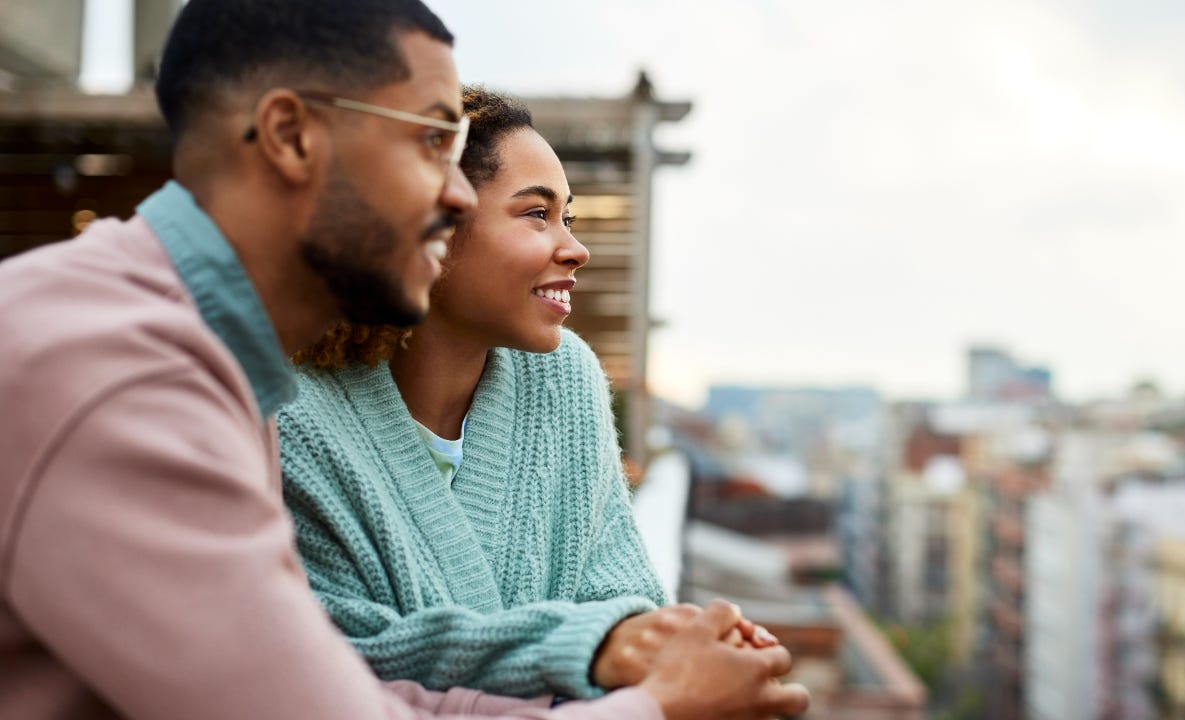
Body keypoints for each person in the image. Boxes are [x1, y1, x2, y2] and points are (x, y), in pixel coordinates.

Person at [0, 1, 810, 719]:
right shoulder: (125, 383)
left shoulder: (215, 361)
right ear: (289, 135)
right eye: (430, 142)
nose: (457, 195)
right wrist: (658, 708)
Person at [278, 87, 778, 702]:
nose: (575, 248)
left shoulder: (566, 379)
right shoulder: (290, 419)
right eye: (536, 214)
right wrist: (586, 649)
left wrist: (671, 639)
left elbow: (620, 592)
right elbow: (336, 651)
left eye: (567, 217)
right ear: (430, 223)